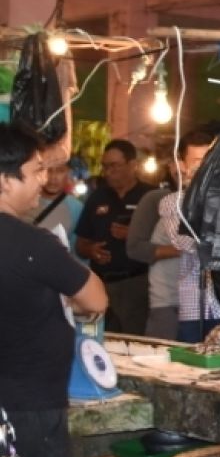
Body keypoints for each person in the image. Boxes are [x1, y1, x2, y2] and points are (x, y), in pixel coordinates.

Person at [0, 124, 107, 457]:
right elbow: (96, 300)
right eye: (36, 170)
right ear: (6, 180)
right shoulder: (35, 244)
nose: (43, 181)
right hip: (31, 412)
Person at [159, 131, 220, 343]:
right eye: (197, 162)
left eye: (210, 161)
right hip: (196, 307)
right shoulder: (173, 202)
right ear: (183, 165)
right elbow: (187, 241)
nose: (204, 168)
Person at [74, 140, 151, 334]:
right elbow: (80, 244)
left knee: (134, 340)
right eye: (105, 166)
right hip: (100, 284)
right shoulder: (97, 197)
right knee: (98, 339)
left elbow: (167, 243)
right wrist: (90, 250)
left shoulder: (150, 197)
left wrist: (133, 236)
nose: (108, 172)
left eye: (114, 166)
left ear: (133, 165)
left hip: (137, 285)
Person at [126, 163, 181, 341]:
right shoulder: (157, 199)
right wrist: (186, 249)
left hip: (202, 302)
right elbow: (135, 248)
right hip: (167, 301)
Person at [28, 159, 82, 252]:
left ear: (68, 173)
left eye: (60, 171)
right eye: (48, 170)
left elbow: (75, 251)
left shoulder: (76, 208)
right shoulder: (25, 200)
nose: (53, 177)